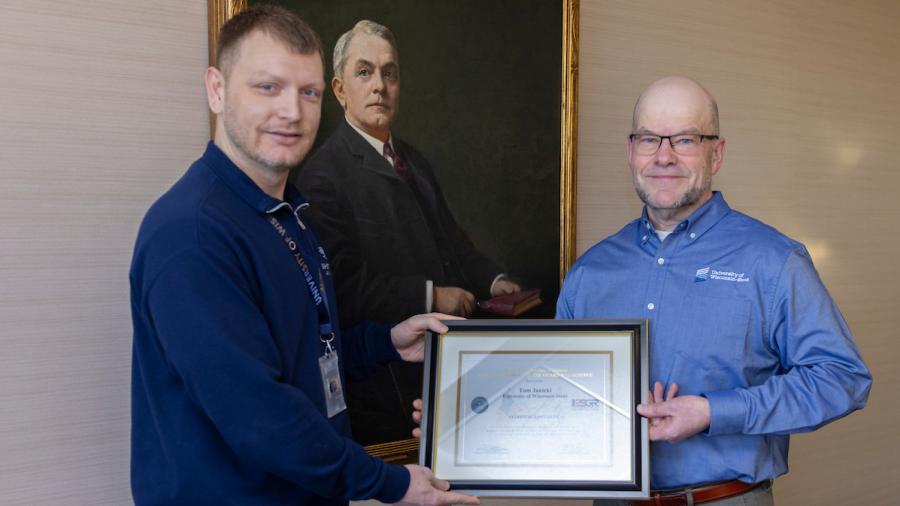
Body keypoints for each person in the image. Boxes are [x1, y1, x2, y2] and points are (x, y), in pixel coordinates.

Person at [129, 6, 479, 505]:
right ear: (216, 89)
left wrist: (386, 344)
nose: (292, 112)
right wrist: (392, 483)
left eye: (308, 92)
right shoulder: (192, 235)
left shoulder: (288, 213)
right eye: (267, 87)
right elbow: (258, 415)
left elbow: (303, 356)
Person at [556, 76, 871, 505]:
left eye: (685, 139)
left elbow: (842, 379)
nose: (664, 156)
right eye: (649, 139)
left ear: (716, 153)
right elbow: (556, 390)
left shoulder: (773, 261)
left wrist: (712, 412)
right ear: (631, 152)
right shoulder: (589, 272)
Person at [294, 20, 519, 443]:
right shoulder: (323, 176)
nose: (379, 85)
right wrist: (431, 295)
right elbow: (344, 286)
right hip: (383, 384)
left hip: (444, 369)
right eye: (365, 72)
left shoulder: (412, 159)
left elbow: (452, 240)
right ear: (340, 90)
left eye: (389, 73)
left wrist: (494, 279)